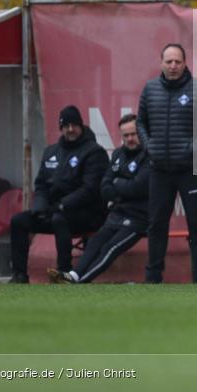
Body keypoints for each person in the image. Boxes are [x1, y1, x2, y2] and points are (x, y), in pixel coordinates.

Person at [137, 43, 197, 284]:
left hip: (190, 169)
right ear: (161, 63)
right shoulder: (150, 89)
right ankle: (153, 278)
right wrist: (149, 146)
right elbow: (140, 122)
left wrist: (191, 149)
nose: (173, 66)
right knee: (156, 225)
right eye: (168, 61)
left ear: (185, 63)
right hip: (159, 170)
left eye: (177, 61)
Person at [9, 105, 108, 283]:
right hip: (53, 210)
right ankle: (19, 275)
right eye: (66, 126)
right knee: (19, 221)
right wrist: (39, 206)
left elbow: (90, 189)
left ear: (81, 126)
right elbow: (40, 184)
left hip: (87, 213)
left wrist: (61, 205)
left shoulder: (94, 152)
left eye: (74, 125)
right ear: (61, 128)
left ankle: (64, 273)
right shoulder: (51, 152)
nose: (70, 129)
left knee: (59, 219)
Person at [47, 114, 149, 284]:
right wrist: (121, 187)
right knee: (95, 243)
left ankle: (78, 283)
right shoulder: (117, 154)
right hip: (116, 214)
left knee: (110, 248)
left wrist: (117, 184)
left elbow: (138, 187)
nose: (130, 139)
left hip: (138, 218)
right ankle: (74, 275)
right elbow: (105, 187)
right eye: (126, 135)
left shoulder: (148, 155)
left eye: (134, 134)